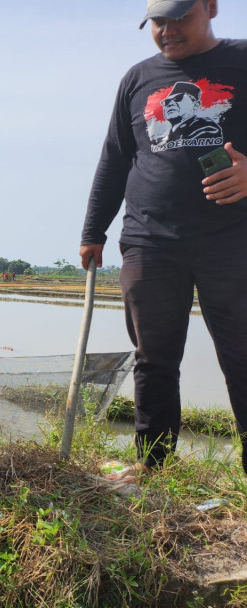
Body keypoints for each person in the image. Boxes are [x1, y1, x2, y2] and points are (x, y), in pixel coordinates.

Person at [79, 0, 247, 477]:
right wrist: (93, 230)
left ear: (211, 7)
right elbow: (114, 157)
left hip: (231, 241)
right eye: (158, 21)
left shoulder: (242, 61)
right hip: (149, 242)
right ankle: (154, 471)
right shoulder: (137, 79)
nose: (168, 31)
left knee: (242, 358)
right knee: (153, 361)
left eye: (180, 18)